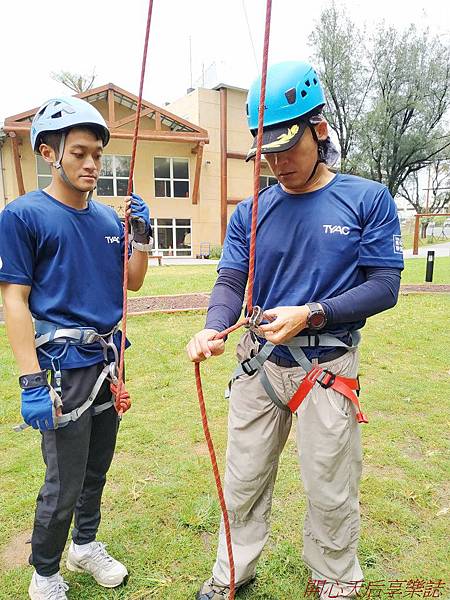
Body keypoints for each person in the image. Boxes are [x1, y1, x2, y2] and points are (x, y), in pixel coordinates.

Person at [186, 61, 404, 599]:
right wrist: (213, 328)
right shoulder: (252, 211)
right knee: (241, 484)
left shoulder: (366, 200)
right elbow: (231, 278)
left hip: (326, 368)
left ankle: (333, 577)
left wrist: (311, 313)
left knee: (331, 486)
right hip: (258, 366)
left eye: (288, 147)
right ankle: (231, 574)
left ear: (320, 129)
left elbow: (385, 286)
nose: (278, 163)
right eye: (268, 151)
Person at [0, 96, 152, 600]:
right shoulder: (24, 217)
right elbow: (15, 302)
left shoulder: (109, 221)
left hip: (107, 363)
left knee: (96, 468)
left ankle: (84, 546)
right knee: (62, 480)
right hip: (63, 370)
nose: (92, 165)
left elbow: (132, 283)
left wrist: (142, 236)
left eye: (98, 156)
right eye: (80, 153)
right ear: (49, 153)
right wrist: (30, 382)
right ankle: (44, 573)